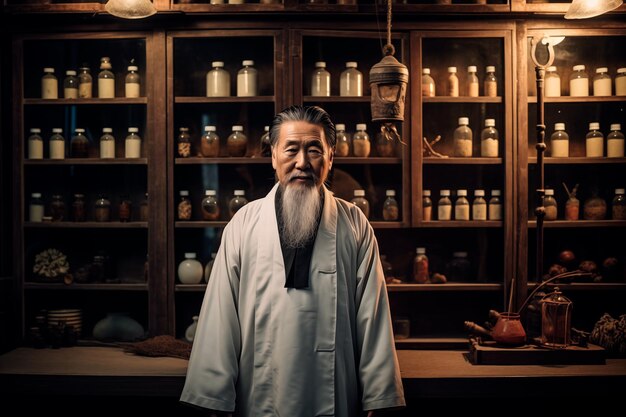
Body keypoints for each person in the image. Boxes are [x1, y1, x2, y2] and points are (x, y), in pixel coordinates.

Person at [180, 105, 405, 416]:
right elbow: (221, 315)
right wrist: (212, 397)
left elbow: (374, 318)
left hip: (335, 395)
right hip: (259, 393)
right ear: (273, 156)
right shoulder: (244, 223)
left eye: (314, 149)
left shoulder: (354, 224)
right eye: (291, 149)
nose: (302, 162)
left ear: (330, 156)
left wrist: (380, 397)